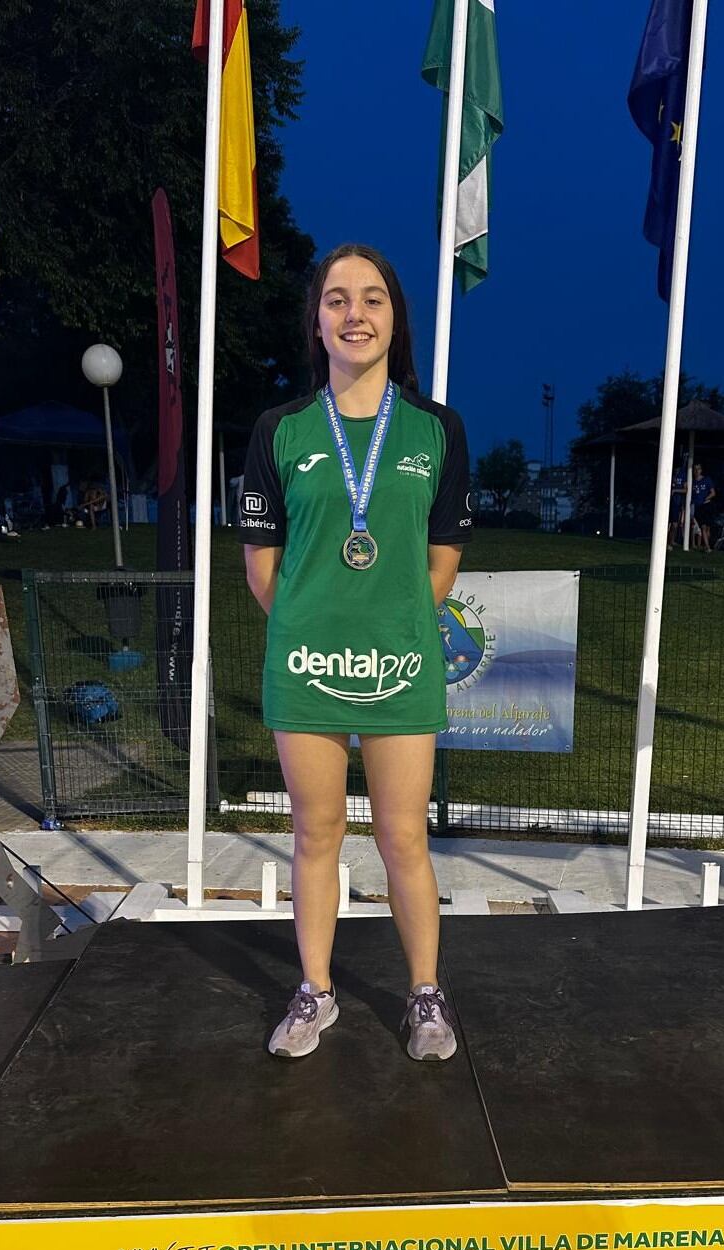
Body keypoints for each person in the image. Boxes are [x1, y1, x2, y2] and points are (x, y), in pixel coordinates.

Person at [238, 243, 472, 1062]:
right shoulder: (282, 430)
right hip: (306, 667)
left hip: (400, 666)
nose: (355, 314)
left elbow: (442, 555)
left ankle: (425, 995)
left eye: (372, 298)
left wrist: (393, 624)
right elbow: (262, 565)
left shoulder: (435, 429)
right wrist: (316, 627)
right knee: (316, 833)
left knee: (403, 838)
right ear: (316, 321)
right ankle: (316, 990)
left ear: (393, 318)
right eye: (337, 299)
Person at [691, 463, 716, 552]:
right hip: (698, 507)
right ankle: (708, 547)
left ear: (701, 470)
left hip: (707, 505)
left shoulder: (706, 480)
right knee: (703, 527)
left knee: (708, 527)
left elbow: (713, 493)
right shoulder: (692, 482)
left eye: (698, 469)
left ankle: (706, 545)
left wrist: (705, 499)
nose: (697, 471)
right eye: (695, 469)